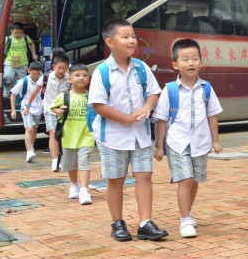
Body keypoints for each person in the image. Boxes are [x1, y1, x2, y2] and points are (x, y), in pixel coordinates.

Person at [88, 18, 167, 242]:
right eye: (125, 37)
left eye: (133, 36)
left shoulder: (141, 68)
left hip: (139, 135)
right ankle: (118, 223)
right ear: (110, 42)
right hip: (112, 136)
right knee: (116, 179)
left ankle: (145, 223)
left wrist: (147, 107)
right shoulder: (102, 72)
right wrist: (125, 118)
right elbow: (98, 105)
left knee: (144, 176)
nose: (132, 41)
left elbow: (153, 92)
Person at [153, 39, 223, 238]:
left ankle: (188, 211)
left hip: (200, 142)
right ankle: (184, 220)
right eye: (185, 59)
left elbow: (212, 116)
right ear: (175, 65)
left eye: (194, 59)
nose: (191, 63)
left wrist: (215, 141)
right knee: (186, 179)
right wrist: (160, 147)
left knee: (194, 181)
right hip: (177, 142)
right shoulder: (170, 90)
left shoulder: (207, 89)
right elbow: (162, 121)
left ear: (201, 62)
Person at [50, 63, 94, 205]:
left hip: (87, 136)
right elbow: (53, 108)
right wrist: (59, 110)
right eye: (77, 75)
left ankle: (84, 190)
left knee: (84, 163)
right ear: (69, 79)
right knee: (71, 165)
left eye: (85, 75)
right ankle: (74, 185)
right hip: (69, 137)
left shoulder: (91, 97)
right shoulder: (65, 96)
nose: (81, 78)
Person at [26, 50, 70, 172]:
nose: (61, 71)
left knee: (64, 135)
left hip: (64, 111)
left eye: (64, 68)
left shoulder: (69, 80)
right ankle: (55, 161)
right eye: (59, 68)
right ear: (54, 66)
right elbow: (35, 92)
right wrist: (27, 105)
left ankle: (65, 160)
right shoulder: (46, 77)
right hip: (49, 109)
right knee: (53, 133)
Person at [10, 60, 44, 163]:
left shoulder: (42, 80)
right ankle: (29, 151)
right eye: (34, 74)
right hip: (25, 108)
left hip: (38, 108)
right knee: (29, 128)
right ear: (28, 71)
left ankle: (31, 147)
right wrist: (13, 110)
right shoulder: (23, 82)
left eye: (38, 74)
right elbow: (13, 94)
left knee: (34, 129)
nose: (36, 76)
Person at [3, 22, 37, 97]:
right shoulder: (8, 39)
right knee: (8, 76)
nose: (18, 35)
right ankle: (7, 89)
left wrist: (34, 54)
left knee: (20, 81)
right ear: (12, 31)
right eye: (16, 33)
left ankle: (16, 95)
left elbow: (32, 44)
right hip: (10, 62)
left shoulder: (25, 37)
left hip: (23, 63)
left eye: (20, 33)